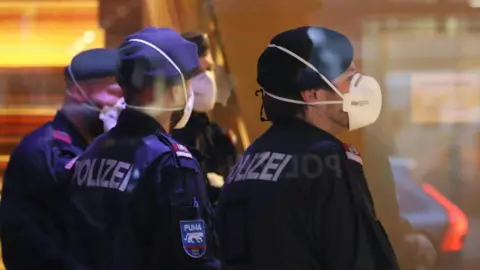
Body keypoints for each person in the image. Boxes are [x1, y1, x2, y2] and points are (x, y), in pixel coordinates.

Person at [215, 26, 400, 270]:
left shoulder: (249, 159)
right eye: (349, 78)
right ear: (313, 94)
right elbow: (356, 256)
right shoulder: (326, 159)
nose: (358, 86)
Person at [64, 27, 219, 270]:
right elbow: (192, 261)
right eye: (188, 81)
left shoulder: (93, 151)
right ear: (174, 89)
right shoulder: (172, 163)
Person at [0, 48, 122, 270]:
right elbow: (27, 246)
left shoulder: (102, 145)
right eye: (115, 93)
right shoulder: (41, 152)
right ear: (77, 92)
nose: (124, 105)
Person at [172, 31, 237, 204]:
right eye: (196, 73)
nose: (207, 80)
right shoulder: (166, 139)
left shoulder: (217, 137)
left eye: (209, 70)